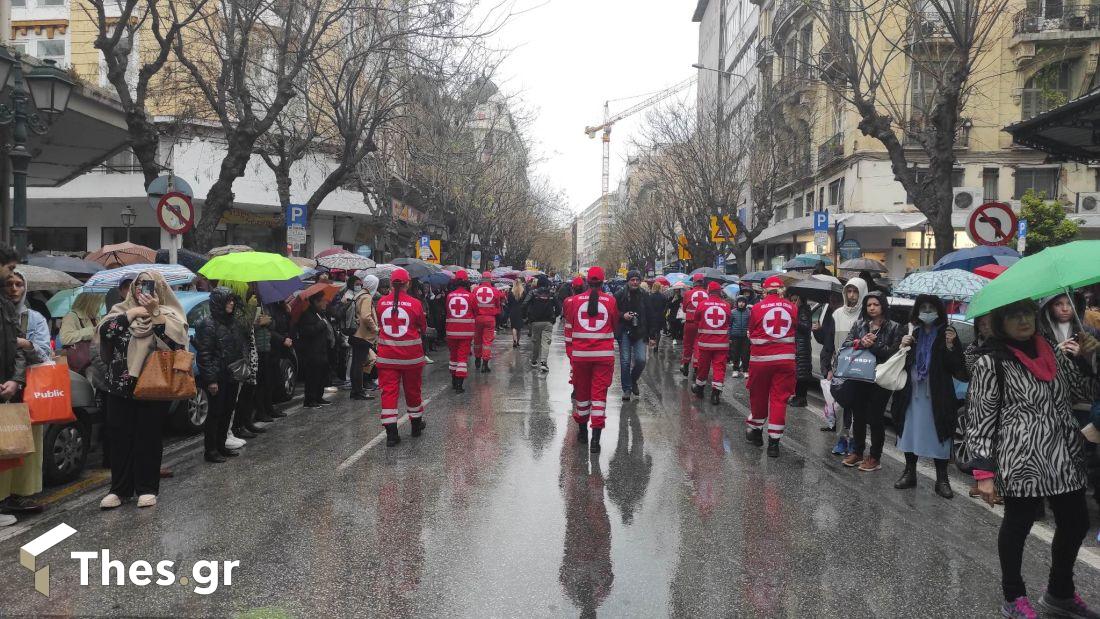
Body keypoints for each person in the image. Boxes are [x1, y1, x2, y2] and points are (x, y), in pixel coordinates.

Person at [968, 299, 1100, 619]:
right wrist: (983, 472)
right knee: (1018, 525)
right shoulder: (992, 362)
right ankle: (1014, 596)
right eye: (1013, 315)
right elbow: (981, 418)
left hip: (1063, 454)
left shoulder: (1051, 350)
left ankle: (1059, 592)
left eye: (1027, 313)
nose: (1023, 320)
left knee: (1076, 522)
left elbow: (1083, 391)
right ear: (1000, 322)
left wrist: (1089, 358)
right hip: (1022, 457)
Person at [96, 271, 188, 508]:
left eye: (149, 286)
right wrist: (131, 314)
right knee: (119, 437)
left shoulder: (169, 312)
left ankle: (147, 488)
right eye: (138, 286)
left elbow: (175, 344)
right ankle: (119, 489)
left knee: (148, 437)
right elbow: (105, 333)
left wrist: (155, 313)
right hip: (119, 385)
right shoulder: (120, 310)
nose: (142, 291)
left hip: (153, 385)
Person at [892, 295, 967, 499]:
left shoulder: (947, 333)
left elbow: (958, 369)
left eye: (931, 307)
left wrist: (952, 346)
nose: (927, 311)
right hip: (911, 394)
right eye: (923, 307)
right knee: (909, 432)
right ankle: (909, 473)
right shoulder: (910, 331)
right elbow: (897, 359)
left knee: (939, 435)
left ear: (939, 310)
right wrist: (902, 345)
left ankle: (942, 479)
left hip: (937, 395)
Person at [0, 269, 47, 516]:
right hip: (4, 388)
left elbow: (44, 355)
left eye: (19, 284)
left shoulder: (34, 319)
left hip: (28, 391)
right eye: (9, 284)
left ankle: (21, 496)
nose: (14, 289)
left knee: (26, 446)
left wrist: (24, 343)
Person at [839, 291, 903, 472]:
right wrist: (860, 342)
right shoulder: (859, 324)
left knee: (875, 418)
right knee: (858, 415)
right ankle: (858, 452)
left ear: (883, 305)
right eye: (869, 305)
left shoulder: (894, 327)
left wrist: (873, 345)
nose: (872, 308)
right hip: (859, 375)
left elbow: (892, 353)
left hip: (880, 378)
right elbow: (846, 345)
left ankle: (875, 457)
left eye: (876, 304)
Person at [745, 276, 798, 457]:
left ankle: (757, 431)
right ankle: (774, 444)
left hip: (761, 360)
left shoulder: (757, 308)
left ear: (765, 290)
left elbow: (751, 332)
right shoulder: (792, 307)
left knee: (758, 395)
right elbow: (795, 328)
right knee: (779, 400)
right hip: (785, 360)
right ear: (781, 290)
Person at [376, 267, 428, 446]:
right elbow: (423, 325)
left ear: (391, 284)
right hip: (411, 358)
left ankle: (391, 434)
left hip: (386, 357)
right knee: (413, 390)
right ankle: (415, 425)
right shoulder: (415, 304)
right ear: (408, 283)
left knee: (389, 393)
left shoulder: (381, 303)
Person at [196, 288, 249, 463]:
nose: (232, 303)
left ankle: (221, 445)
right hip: (218, 376)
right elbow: (204, 355)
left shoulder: (232, 323)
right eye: (228, 301)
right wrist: (211, 380)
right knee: (215, 413)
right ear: (219, 303)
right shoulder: (207, 324)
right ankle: (210, 450)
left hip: (232, 374)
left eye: (232, 300)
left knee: (227, 411)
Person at [817, 278, 868, 454]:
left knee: (858, 408)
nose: (852, 295)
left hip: (861, 368)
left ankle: (855, 441)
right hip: (840, 368)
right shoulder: (837, 314)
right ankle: (841, 439)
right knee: (840, 407)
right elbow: (829, 343)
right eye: (849, 291)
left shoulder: (866, 315)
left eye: (856, 292)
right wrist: (827, 368)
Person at [570, 267, 618, 453]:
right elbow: (614, 325)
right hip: (603, 356)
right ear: (603, 281)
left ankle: (582, 433)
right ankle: (596, 441)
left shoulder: (574, 301)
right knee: (599, 397)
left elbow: (571, 323)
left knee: (582, 395)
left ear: (586, 281)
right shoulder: (611, 301)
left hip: (580, 356)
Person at [0, 247, 27, 526]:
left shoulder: (6, 306)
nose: (11, 278)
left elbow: (15, 346)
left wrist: (14, 380)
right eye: (8, 269)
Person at [230, 287, 264, 440]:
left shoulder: (243, 305)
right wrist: (251, 308)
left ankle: (246, 421)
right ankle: (238, 425)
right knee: (241, 394)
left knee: (249, 391)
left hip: (250, 353)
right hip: (242, 355)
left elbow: (249, 327)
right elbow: (243, 326)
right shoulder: (237, 307)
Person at [614, 270, 653, 400]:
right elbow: (613, 312)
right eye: (632, 280)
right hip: (625, 330)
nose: (635, 282)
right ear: (628, 281)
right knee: (625, 361)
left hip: (640, 331)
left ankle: (633, 379)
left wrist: (652, 336)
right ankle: (627, 389)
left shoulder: (645, 295)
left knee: (641, 360)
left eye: (637, 280)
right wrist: (622, 315)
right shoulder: (620, 294)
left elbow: (650, 315)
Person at [693, 281, 731, 405]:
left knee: (703, 367)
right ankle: (715, 394)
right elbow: (729, 321)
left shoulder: (702, 305)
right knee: (719, 368)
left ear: (708, 291)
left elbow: (696, 320)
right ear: (720, 292)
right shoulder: (726, 306)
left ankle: (700, 389)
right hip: (721, 344)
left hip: (705, 343)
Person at [296, 291, 335, 408]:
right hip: (312, 351)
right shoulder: (307, 314)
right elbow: (306, 331)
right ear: (316, 302)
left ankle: (319, 397)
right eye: (323, 300)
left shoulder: (320, 313)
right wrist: (320, 325)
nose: (325, 303)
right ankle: (310, 400)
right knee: (312, 376)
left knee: (321, 375)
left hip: (322, 350)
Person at [349, 274, 380, 400]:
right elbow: (366, 316)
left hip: (356, 334)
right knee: (359, 364)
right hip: (362, 335)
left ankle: (355, 390)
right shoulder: (366, 297)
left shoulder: (359, 294)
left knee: (356, 363)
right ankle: (358, 391)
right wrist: (375, 329)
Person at [445, 270, 476, 392]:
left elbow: (448, 311)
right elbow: (476, 311)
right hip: (466, 331)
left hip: (451, 330)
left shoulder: (449, 296)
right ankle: (459, 385)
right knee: (462, 357)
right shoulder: (471, 296)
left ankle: (453, 380)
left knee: (453, 356)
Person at [59, 292, 104, 373]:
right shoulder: (72, 316)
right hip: (83, 364)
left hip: (97, 360)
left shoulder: (95, 317)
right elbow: (65, 338)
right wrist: (89, 332)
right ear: (90, 303)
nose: (99, 307)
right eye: (98, 303)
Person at [523, 275, 558, 373]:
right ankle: (543, 363)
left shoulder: (533, 293)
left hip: (535, 321)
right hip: (548, 322)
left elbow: (525, 304)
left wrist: (526, 317)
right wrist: (554, 316)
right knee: (546, 343)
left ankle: (534, 361)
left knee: (536, 342)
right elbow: (559, 307)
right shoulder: (551, 294)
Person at [265, 298, 293, 414]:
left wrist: (287, 311)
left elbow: (285, 325)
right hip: (270, 348)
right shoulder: (268, 307)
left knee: (274, 380)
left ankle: (270, 408)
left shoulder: (279, 307)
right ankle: (267, 409)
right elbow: (269, 330)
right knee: (269, 381)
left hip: (278, 349)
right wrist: (282, 339)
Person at [786, 291, 814, 408]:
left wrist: (795, 321)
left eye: (795, 300)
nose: (793, 302)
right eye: (791, 300)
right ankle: (798, 397)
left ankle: (801, 398)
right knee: (799, 373)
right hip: (798, 346)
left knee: (802, 374)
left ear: (801, 300)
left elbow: (806, 327)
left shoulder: (803, 310)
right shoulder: (798, 310)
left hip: (802, 347)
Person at [472, 272, 504, 372]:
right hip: (490, 319)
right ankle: (485, 364)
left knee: (477, 340)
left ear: (482, 279)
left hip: (477, 318)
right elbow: (498, 305)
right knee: (487, 342)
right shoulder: (495, 291)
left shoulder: (475, 290)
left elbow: (472, 304)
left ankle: (477, 359)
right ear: (490, 279)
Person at [680, 274, 708, 377]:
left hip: (690, 323)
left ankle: (686, 366)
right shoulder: (707, 293)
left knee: (688, 345)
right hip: (702, 324)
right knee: (698, 346)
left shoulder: (688, 293)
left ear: (694, 282)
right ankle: (697, 368)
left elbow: (684, 310)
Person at [728, 295, 751, 378]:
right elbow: (729, 325)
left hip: (745, 336)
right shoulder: (733, 312)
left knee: (745, 354)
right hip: (735, 336)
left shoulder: (748, 312)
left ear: (745, 303)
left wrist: (749, 331)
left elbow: (750, 324)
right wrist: (729, 336)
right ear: (737, 303)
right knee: (735, 354)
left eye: (743, 302)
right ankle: (735, 369)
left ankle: (745, 370)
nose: (741, 304)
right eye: (740, 302)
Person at [648, 279, 669, 352]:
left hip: (652, 317)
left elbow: (648, 307)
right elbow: (665, 307)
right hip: (660, 316)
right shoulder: (663, 297)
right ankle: (657, 345)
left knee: (652, 331)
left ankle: (652, 344)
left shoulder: (650, 296)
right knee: (658, 332)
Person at [507, 279, 526, 348]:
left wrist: (508, 312)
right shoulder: (523, 292)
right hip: (520, 311)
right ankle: (518, 341)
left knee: (514, 327)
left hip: (513, 310)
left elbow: (509, 303)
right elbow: (525, 302)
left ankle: (514, 340)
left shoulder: (511, 292)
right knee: (519, 328)